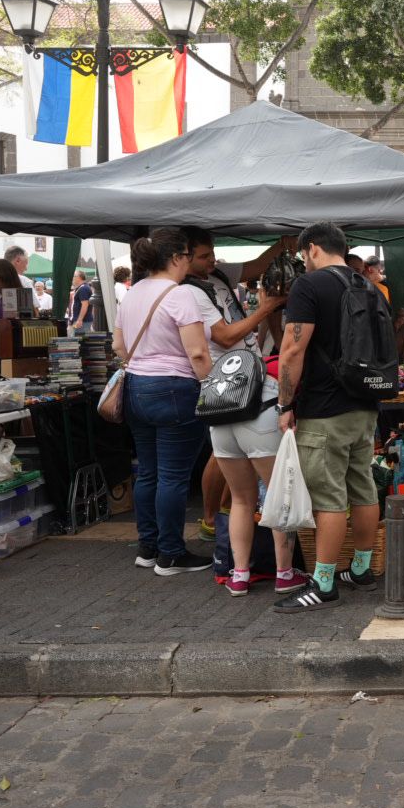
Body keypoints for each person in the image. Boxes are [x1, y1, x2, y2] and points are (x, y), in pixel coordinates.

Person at [178, 231, 299, 597]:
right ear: (182, 258)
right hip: (250, 397)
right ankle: (284, 573)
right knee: (276, 494)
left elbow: (256, 265)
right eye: (202, 256)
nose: (210, 261)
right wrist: (266, 307)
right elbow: (226, 338)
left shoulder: (211, 280)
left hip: (218, 402)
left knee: (243, 498)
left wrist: (283, 242)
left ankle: (240, 574)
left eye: (212, 254)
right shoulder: (191, 295)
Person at [273, 222, 385, 612]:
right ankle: (361, 568)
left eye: (304, 255)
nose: (304, 262)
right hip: (365, 403)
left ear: (314, 249)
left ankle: (323, 584)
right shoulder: (369, 286)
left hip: (324, 409)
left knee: (328, 497)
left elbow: (291, 349)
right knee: (363, 488)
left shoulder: (310, 286)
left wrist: (285, 405)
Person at [114, 229, 214, 576]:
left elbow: (119, 347)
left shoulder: (132, 293)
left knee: (149, 473)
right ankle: (171, 554)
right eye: (188, 256)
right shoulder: (180, 294)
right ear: (176, 258)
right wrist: (213, 390)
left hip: (136, 389)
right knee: (173, 477)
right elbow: (198, 352)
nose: (189, 263)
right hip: (175, 389)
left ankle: (149, 547)